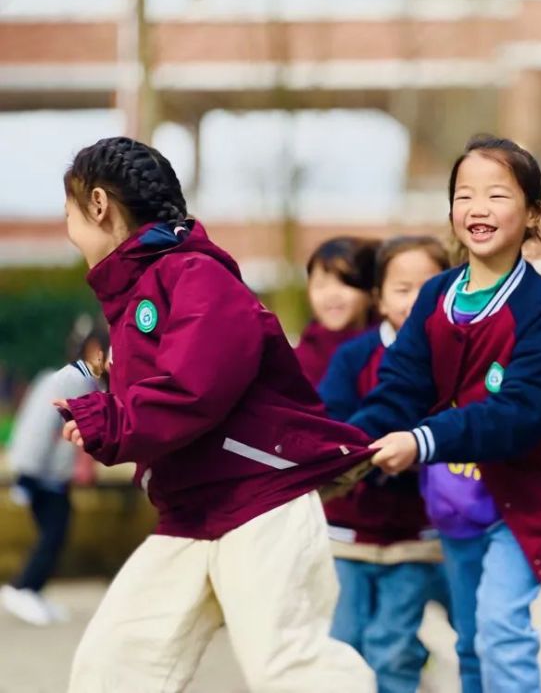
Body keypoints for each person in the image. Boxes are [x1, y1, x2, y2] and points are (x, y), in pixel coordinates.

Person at [55, 136, 375, 692]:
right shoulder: (137, 297)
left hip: (260, 503)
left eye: (69, 213)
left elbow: (192, 390)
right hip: (190, 514)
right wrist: (104, 413)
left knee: (287, 665)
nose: (68, 229)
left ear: (99, 205)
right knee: (114, 666)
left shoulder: (196, 276)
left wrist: (110, 421)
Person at [350, 134, 541, 693]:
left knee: (502, 631)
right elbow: (399, 386)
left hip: (518, 502)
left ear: (531, 214)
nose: (478, 208)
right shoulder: (434, 296)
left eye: (497, 195)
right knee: (472, 641)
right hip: (453, 502)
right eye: (464, 195)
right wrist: (350, 446)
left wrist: (422, 441)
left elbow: (519, 414)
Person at [318, 235, 452, 693]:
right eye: (402, 288)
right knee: (344, 641)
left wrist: (418, 454)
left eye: (428, 287)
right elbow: (330, 425)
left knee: (391, 646)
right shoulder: (354, 357)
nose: (415, 300)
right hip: (346, 535)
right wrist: (363, 456)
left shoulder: (455, 359)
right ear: (378, 296)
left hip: (413, 537)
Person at [1, 329, 108, 626]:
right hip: (42, 476)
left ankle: (31, 590)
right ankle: (22, 588)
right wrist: (27, 476)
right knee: (53, 533)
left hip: (52, 476)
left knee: (56, 532)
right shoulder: (64, 380)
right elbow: (38, 426)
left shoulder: (83, 382)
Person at [296, 236, 379, 387]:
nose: (332, 294)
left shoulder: (387, 351)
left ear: (371, 293)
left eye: (344, 283)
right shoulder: (296, 361)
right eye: (320, 285)